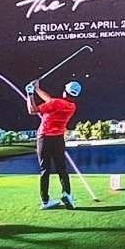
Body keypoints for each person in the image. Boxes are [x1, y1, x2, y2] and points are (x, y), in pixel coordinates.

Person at [25, 79, 81, 210]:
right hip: (58, 139)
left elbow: (32, 110)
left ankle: (45, 201)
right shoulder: (72, 106)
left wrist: (30, 94)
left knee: (45, 170)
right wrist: (37, 89)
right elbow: (50, 100)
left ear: (65, 92)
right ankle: (67, 194)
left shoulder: (55, 103)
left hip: (44, 138)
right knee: (62, 169)